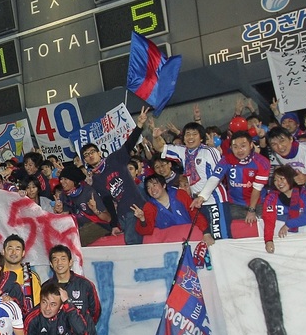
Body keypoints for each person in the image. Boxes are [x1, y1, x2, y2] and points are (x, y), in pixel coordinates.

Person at [80, 105, 150, 245]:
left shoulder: (114, 159)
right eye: (86, 155)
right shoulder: (96, 179)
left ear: (99, 153)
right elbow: (108, 202)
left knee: (131, 242)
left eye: (92, 152)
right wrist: (113, 224)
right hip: (122, 214)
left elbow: (129, 144)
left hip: (136, 208)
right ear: (85, 161)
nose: (90, 156)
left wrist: (139, 125)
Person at [160, 121, 230, 240]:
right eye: (187, 134)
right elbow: (161, 148)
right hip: (197, 202)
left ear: (201, 138)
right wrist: (156, 137)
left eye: (194, 134)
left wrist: (202, 196)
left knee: (221, 238)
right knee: (207, 239)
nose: (190, 137)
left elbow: (218, 176)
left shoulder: (209, 151)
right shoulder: (182, 151)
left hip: (215, 200)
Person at [192, 130, 271, 225]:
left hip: (258, 204)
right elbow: (215, 178)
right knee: (236, 230)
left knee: (259, 229)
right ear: (231, 148)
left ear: (251, 145)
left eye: (243, 146)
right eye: (235, 147)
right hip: (234, 204)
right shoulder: (226, 160)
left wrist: (251, 210)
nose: (239, 150)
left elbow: (257, 188)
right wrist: (202, 197)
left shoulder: (262, 162)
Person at [262, 165, 306, 253]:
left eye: (282, 178)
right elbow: (268, 219)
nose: (279, 183)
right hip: (281, 239)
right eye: (275, 180)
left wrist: (289, 224)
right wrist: (268, 240)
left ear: (291, 178)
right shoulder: (271, 197)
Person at [54, 163, 111, 246]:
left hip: (99, 226)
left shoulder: (88, 192)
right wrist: (58, 212)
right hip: (80, 228)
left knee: (73, 242)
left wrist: (95, 210)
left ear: (74, 180)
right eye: (61, 179)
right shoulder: (64, 194)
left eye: (65, 179)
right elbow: (64, 217)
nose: (62, 182)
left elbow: (108, 219)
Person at [133, 174, 208, 236]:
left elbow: (195, 214)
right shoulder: (149, 206)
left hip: (189, 235)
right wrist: (142, 219)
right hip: (167, 241)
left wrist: (206, 233)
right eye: (149, 188)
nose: (152, 190)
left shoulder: (180, 194)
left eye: (154, 185)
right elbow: (147, 231)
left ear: (164, 185)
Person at [44, 245, 101, 325]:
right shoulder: (46, 287)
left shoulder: (85, 284)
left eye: (63, 259)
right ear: (51, 264)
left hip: (82, 331)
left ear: (70, 262)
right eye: (55, 260)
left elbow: (95, 311)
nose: (59, 263)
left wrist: (85, 328)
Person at [2, 234, 41, 317]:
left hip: (25, 321)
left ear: (23, 253)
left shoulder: (31, 277)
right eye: (10, 249)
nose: (13, 252)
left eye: (17, 249)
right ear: (3, 252)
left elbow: (37, 306)